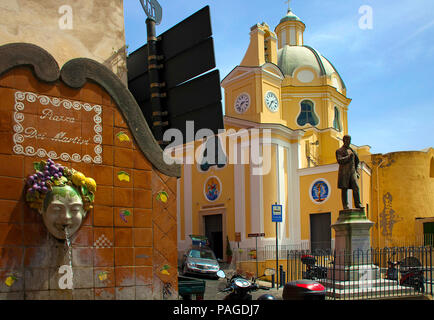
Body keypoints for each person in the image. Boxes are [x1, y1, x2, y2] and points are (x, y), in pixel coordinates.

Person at [336, 135, 362, 210]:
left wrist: (357, 171)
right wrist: (348, 157)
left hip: (352, 172)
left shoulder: (352, 151)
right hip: (344, 173)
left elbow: (357, 161)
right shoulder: (339, 150)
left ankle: (358, 204)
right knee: (344, 189)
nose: (348, 141)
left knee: (356, 187)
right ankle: (345, 206)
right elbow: (339, 160)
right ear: (344, 140)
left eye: (349, 140)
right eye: (347, 140)